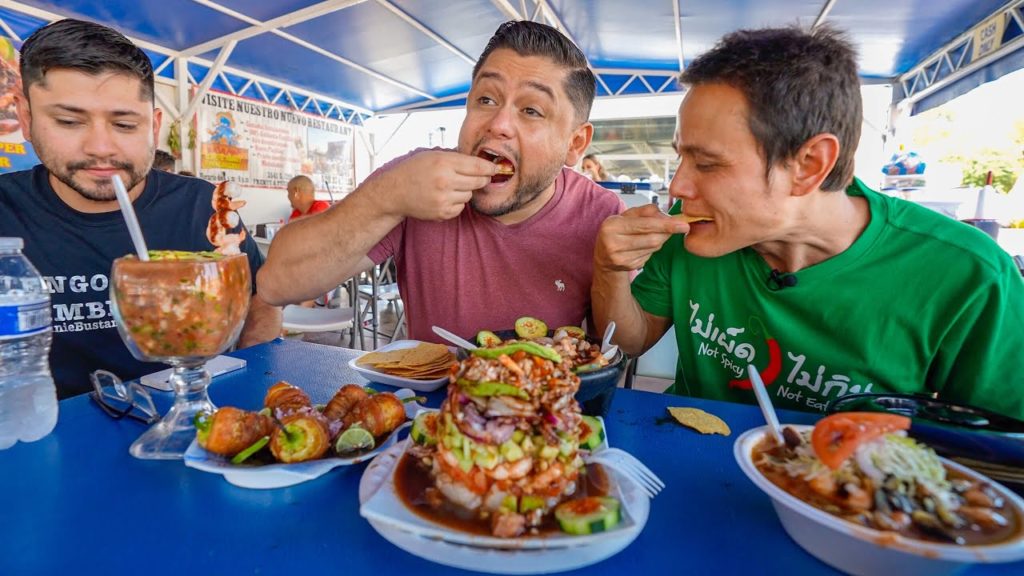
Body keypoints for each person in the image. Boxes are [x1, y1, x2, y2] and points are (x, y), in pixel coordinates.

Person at [591, 26, 1024, 419]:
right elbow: (629, 343)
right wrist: (609, 270)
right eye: (681, 157)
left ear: (809, 165)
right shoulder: (693, 230)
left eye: (706, 163)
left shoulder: (968, 275)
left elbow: (1001, 448)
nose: (678, 186)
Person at [259, 21, 624, 341]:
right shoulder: (416, 179)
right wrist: (389, 195)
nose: (498, 124)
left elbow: (621, 344)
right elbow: (276, 284)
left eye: (531, 110)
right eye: (486, 99)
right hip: (427, 399)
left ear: (575, 144)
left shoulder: (600, 213)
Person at [0, 19, 281, 399]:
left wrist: (248, 384)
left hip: (194, 410)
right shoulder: (7, 209)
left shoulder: (204, 209)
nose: (101, 147)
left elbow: (260, 298)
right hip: (46, 421)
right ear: (26, 117)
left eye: (125, 124)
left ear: (153, 126)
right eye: (68, 121)